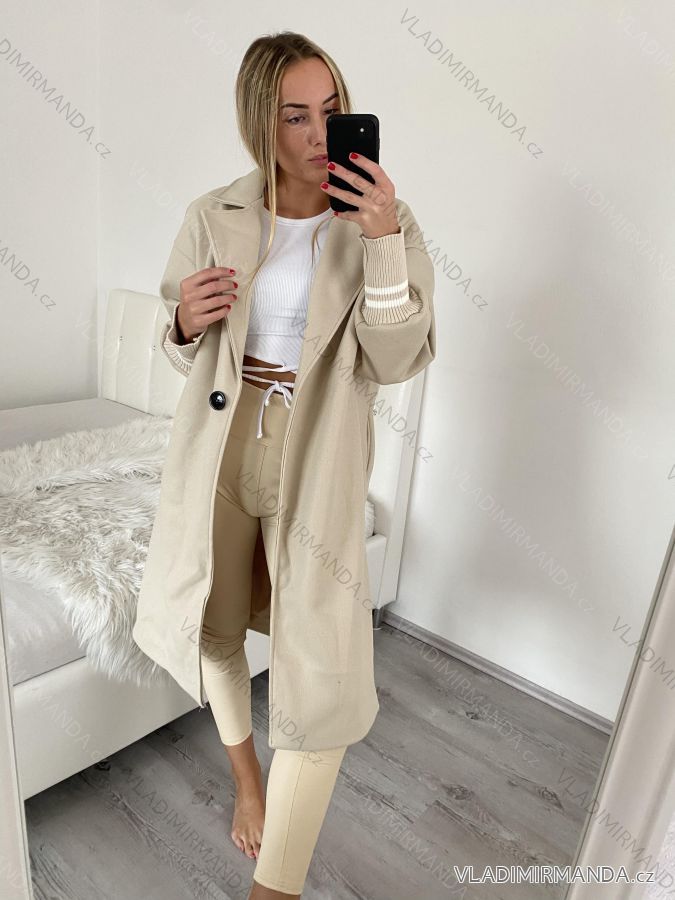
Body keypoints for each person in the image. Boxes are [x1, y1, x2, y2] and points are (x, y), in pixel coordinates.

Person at [156, 31, 435, 899]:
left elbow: (396, 358)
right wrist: (182, 323)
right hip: (223, 445)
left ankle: (273, 888)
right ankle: (248, 781)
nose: (320, 134)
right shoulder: (214, 213)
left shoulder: (386, 221)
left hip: (317, 457)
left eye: (332, 111)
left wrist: (379, 241)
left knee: (320, 679)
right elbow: (180, 348)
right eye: (295, 117)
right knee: (214, 627)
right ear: (260, 124)